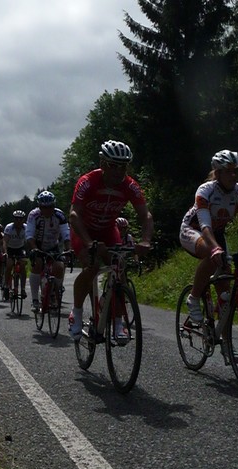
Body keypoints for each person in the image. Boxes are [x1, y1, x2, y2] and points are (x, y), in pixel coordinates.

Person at [179, 149, 238, 362]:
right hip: (193, 230)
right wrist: (215, 249)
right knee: (210, 253)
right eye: (228, 171)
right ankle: (193, 298)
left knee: (225, 293)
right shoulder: (205, 190)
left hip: (217, 235)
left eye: (236, 172)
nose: (233, 175)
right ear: (218, 173)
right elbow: (205, 225)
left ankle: (226, 345)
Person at [68, 139, 154, 341]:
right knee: (91, 266)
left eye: (123, 167)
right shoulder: (88, 181)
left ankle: (118, 322)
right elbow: (74, 215)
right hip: (84, 230)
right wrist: (88, 243)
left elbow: (146, 216)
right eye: (113, 166)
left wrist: (145, 240)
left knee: (119, 271)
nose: (118, 171)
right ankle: (76, 313)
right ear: (103, 164)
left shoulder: (130, 185)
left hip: (108, 230)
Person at [25, 190, 71, 313]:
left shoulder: (59, 215)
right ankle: (35, 299)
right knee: (37, 264)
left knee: (59, 267)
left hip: (53, 246)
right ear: (39, 207)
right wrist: (34, 248)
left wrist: (68, 249)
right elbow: (29, 234)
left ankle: (55, 291)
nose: (47, 210)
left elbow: (66, 234)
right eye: (44, 207)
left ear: (53, 206)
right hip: (37, 245)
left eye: (50, 207)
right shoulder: (33, 215)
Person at [3, 210, 28, 301]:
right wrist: (5, 252)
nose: (18, 221)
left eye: (20, 219)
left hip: (20, 248)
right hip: (10, 248)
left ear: (23, 220)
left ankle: (23, 289)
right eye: (16, 219)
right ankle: (6, 286)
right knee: (9, 265)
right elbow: (5, 241)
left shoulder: (26, 228)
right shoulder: (9, 227)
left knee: (22, 265)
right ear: (14, 219)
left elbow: (29, 240)